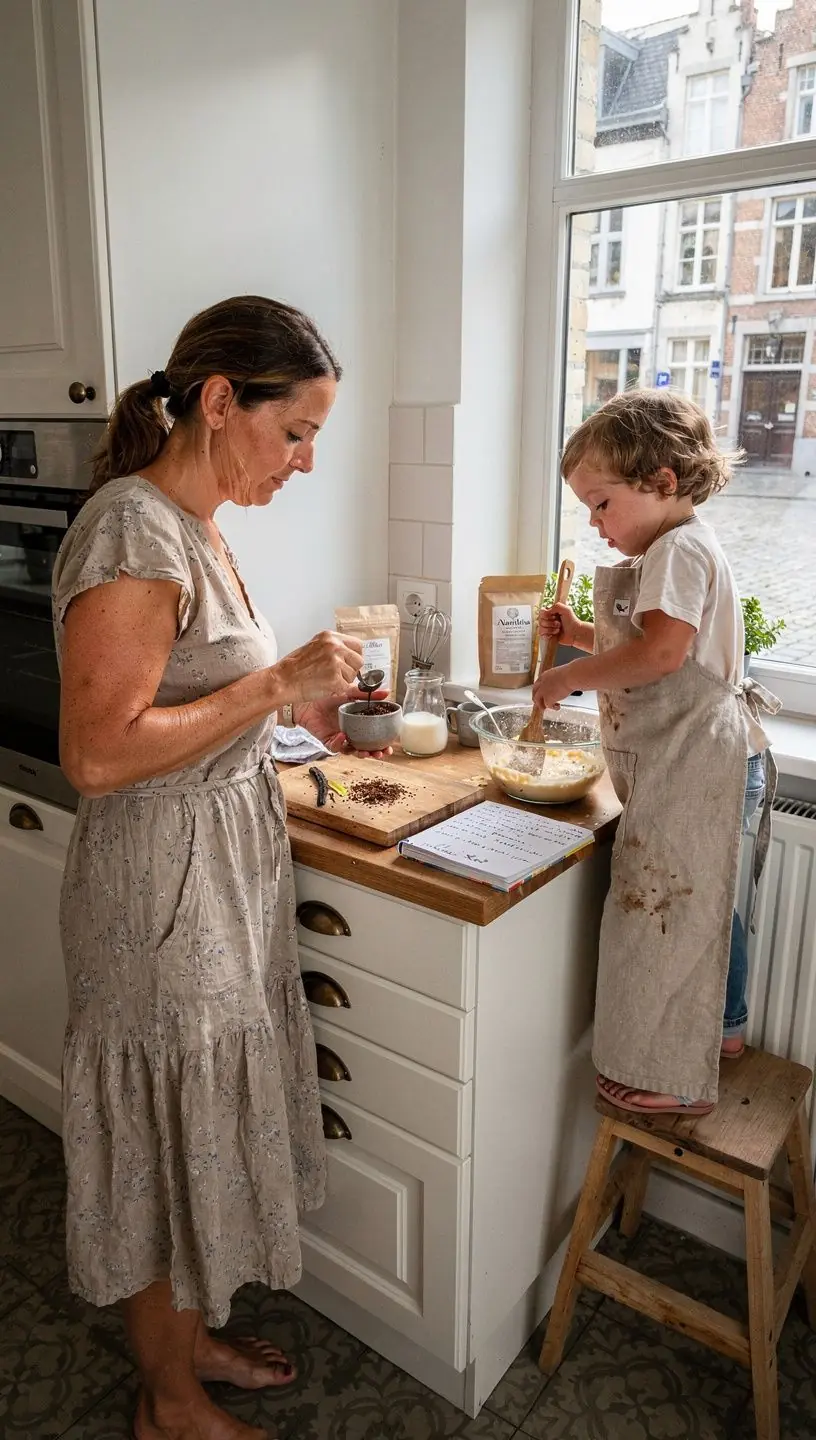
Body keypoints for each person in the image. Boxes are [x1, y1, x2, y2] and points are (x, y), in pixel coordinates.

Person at [51, 295, 380, 1440]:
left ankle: (186, 1349)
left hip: (216, 870)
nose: (306, 460)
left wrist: (292, 718)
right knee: (160, 1145)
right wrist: (276, 685)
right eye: (297, 432)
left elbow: (194, 697)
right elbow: (98, 753)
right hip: (158, 891)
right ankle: (169, 1403)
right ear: (223, 400)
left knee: (196, 1132)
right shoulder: (131, 530)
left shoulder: (195, 524)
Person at [534, 389, 779, 1117]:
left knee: (676, 920)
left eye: (601, 504)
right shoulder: (681, 545)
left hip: (702, 764)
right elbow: (653, 642)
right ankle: (726, 1027)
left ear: (662, 482)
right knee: (710, 903)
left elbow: (663, 656)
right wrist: (580, 633)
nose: (594, 523)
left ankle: (680, 1078)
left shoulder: (675, 550)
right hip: (703, 761)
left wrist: (569, 675)